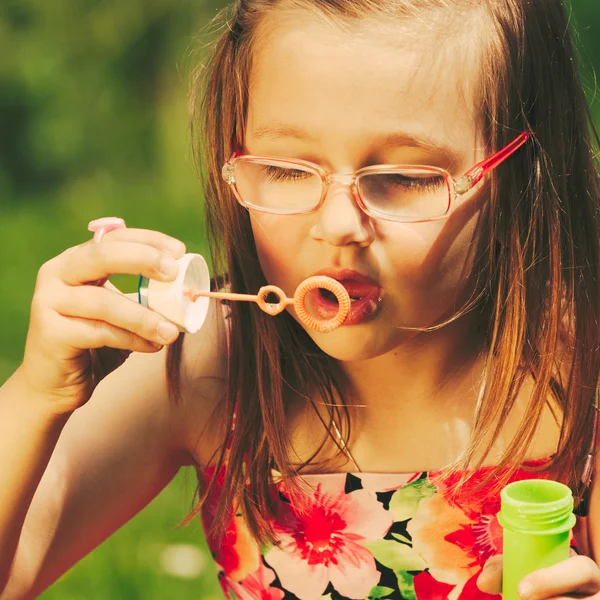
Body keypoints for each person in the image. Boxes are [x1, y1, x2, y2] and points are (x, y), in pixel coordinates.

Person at [2, 0, 600, 598]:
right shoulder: (205, 368)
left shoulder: (583, 384)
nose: (338, 224)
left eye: (408, 178)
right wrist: (38, 396)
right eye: (287, 169)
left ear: (526, 175)